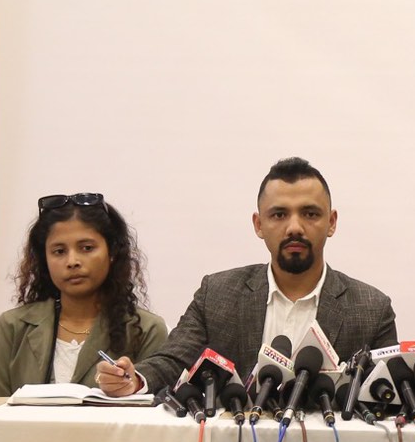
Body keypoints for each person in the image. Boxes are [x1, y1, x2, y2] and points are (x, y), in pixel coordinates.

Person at [96, 157, 397, 395]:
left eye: (310, 214)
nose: (294, 227)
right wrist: (135, 379)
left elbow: (388, 394)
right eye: (279, 215)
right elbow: (174, 361)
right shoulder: (217, 294)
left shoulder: (371, 308)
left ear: (331, 222)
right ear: (258, 224)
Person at [0, 193, 168, 396]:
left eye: (87, 248)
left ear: (112, 252)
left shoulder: (146, 330)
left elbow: (154, 409)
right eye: (59, 251)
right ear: (45, 259)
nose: (72, 261)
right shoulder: (13, 326)